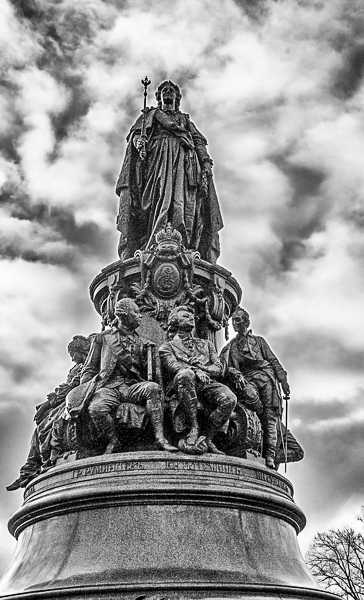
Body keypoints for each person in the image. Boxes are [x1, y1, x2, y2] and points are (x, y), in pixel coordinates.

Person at [116, 79, 224, 263]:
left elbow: (198, 141)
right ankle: (154, 240)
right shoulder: (151, 115)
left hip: (183, 161)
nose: (168, 93)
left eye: (171, 91)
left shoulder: (184, 120)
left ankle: (181, 241)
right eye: (164, 91)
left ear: (177, 97)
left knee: (180, 202)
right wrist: (138, 142)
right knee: (158, 198)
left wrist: (205, 161)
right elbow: (136, 134)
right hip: (157, 159)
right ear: (158, 97)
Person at [81, 298, 177, 454]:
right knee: (97, 408)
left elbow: (147, 373)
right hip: (108, 387)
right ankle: (113, 440)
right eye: (136, 312)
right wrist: (86, 390)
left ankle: (160, 438)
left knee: (153, 388)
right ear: (123, 314)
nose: (140, 316)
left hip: (131, 387)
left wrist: (151, 357)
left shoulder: (143, 343)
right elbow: (89, 368)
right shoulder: (103, 338)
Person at [6, 335, 91, 490]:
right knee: (40, 427)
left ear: (81, 351)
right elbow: (67, 387)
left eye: (73, 354)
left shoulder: (91, 362)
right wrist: (48, 404)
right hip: (70, 398)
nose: (72, 359)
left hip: (82, 397)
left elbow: (74, 386)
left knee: (50, 423)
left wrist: (50, 403)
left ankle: (45, 461)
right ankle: (29, 469)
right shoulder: (75, 368)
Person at [158, 306, 236, 454]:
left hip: (207, 384)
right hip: (182, 384)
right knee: (186, 374)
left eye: (191, 316)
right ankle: (194, 427)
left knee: (230, 398)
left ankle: (208, 437)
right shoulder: (167, 347)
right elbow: (174, 366)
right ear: (174, 321)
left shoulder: (207, 344)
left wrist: (203, 367)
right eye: (185, 316)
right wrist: (196, 370)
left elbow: (218, 368)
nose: (190, 318)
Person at [220, 307, 290, 469]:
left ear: (247, 322)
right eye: (233, 320)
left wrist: (283, 380)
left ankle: (270, 455)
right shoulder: (231, 346)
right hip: (248, 380)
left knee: (270, 418)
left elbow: (273, 360)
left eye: (238, 320)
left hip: (267, 380)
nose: (234, 323)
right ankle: (255, 424)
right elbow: (225, 367)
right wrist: (234, 373)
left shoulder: (259, 341)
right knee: (253, 402)